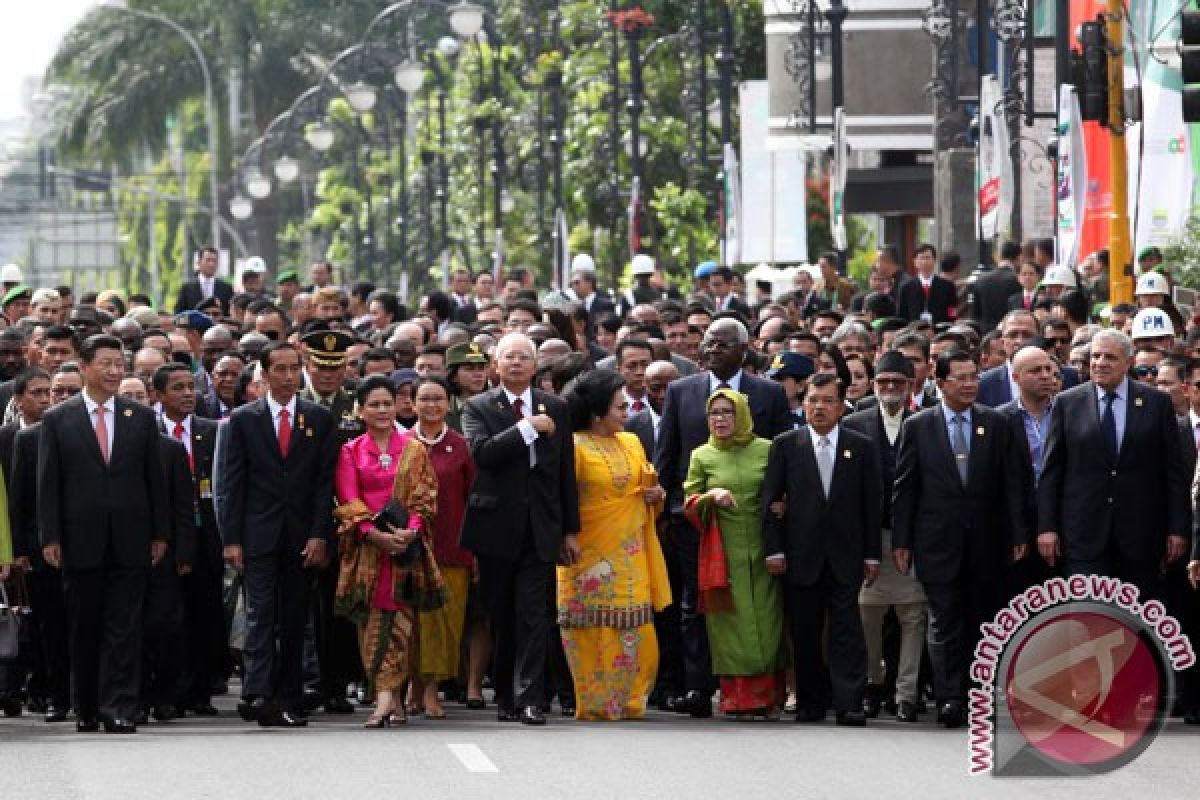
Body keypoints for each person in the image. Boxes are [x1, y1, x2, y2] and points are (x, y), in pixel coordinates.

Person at [655, 318, 790, 717]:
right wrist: (667, 514)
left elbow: (783, 458)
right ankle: (698, 687)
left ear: (744, 349)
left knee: (755, 607)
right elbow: (667, 456)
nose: (712, 349)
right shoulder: (681, 391)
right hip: (694, 521)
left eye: (722, 343)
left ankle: (760, 690)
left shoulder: (769, 393)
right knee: (695, 606)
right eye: (708, 343)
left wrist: (781, 506)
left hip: (754, 527)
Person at [38, 334, 169, 733]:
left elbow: (154, 482)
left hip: (131, 538)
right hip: (80, 540)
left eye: (119, 363)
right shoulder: (58, 419)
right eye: (106, 363)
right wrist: (50, 536)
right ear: (84, 368)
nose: (115, 371)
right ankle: (87, 705)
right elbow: (48, 484)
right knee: (84, 625)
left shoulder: (140, 418)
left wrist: (159, 533)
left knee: (124, 626)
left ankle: (120, 707)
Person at [892, 349, 1026, 729]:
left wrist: (1018, 531)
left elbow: (1012, 484)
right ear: (940, 382)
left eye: (974, 377)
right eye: (961, 378)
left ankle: (978, 696)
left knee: (982, 622)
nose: (969, 384)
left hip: (987, 542)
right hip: (937, 542)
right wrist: (902, 540)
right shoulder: (919, 426)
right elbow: (906, 488)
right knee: (944, 622)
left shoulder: (997, 424)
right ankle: (950, 698)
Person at [459, 333, 580, 726]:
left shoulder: (557, 407)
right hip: (496, 525)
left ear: (535, 366)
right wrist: (526, 429)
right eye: (508, 357)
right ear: (495, 364)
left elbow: (565, 474)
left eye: (524, 357)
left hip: (540, 525)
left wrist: (570, 531)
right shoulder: (478, 406)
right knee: (501, 613)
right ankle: (507, 696)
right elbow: (482, 454)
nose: (516, 363)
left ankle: (531, 697)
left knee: (533, 612)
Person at [216, 341, 338, 728]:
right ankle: (257, 691)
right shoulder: (243, 419)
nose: (288, 377)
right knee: (259, 614)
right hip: (258, 535)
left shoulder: (318, 418)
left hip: (302, 536)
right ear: (264, 375)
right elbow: (231, 484)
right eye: (279, 370)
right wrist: (232, 539)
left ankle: (289, 694)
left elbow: (323, 484)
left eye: (293, 369)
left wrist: (320, 535)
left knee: (294, 616)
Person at [762, 373, 881, 726]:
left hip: (846, 553)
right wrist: (775, 550)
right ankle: (810, 701)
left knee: (847, 629)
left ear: (842, 406)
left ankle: (848, 702)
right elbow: (770, 501)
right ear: (804, 403)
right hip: (801, 555)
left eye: (828, 401)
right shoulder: (786, 445)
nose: (819, 407)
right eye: (813, 400)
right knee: (805, 630)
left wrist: (872, 553)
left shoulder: (860, 447)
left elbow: (870, 505)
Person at [1038, 329, 1190, 598]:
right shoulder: (1067, 403)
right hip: (1083, 535)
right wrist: (1047, 527)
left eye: (1109, 357)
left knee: (1135, 623)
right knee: (1089, 621)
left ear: (1128, 362)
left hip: (1140, 535)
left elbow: (1173, 471)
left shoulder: (1157, 403)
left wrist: (1177, 527)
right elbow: (1052, 471)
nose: (1100, 363)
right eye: (1095, 356)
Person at [558, 370, 671, 720]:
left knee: (635, 625)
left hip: (631, 548)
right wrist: (567, 535)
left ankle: (630, 699)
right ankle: (593, 702)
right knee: (590, 627)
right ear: (596, 412)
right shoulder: (574, 447)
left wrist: (656, 495)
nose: (626, 412)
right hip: (587, 551)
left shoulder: (632, 442)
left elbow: (648, 484)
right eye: (619, 407)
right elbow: (561, 498)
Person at [332, 375, 444, 728]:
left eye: (387, 403)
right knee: (371, 625)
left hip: (406, 550)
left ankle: (385, 699)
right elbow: (348, 500)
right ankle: (389, 696)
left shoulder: (414, 450)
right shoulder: (350, 451)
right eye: (374, 405)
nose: (382, 410)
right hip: (367, 552)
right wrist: (373, 534)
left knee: (400, 623)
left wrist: (407, 533)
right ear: (360, 410)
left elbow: (425, 499)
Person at [683, 389, 786, 718]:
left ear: (741, 414)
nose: (720, 419)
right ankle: (737, 701)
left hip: (764, 550)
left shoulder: (768, 450)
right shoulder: (702, 455)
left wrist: (784, 505)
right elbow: (688, 502)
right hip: (722, 555)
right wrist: (711, 496)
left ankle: (769, 699)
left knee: (769, 623)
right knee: (730, 627)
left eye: (728, 412)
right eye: (714, 413)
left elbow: (786, 489)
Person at [842, 351, 927, 723]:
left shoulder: (924, 422)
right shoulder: (855, 423)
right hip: (869, 535)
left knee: (913, 615)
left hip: (914, 536)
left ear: (910, 386)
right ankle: (873, 684)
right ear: (874, 385)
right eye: (883, 382)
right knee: (868, 613)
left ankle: (906, 693)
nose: (890, 388)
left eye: (897, 382)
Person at [154, 363, 225, 718]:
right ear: (159, 395)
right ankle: (168, 691)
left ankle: (200, 689)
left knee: (205, 615)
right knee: (168, 619)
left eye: (190, 387)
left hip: (207, 536)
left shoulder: (212, 431)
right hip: (165, 538)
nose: (186, 394)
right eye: (177, 388)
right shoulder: (147, 433)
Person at [299, 329, 363, 715]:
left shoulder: (355, 405)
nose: (327, 374)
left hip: (349, 522)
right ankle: (308, 681)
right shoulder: (298, 403)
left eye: (335, 367)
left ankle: (337, 683)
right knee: (305, 609)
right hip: (306, 518)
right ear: (309, 365)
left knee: (340, 609)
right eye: (321, 367)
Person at [407, 375, 476, 719]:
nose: (431, 405)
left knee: (444, 622)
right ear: (413, 404)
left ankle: (433, 689)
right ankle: (412, 686)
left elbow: (472, 497)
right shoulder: (401, 443)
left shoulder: (461, 445)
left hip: (452, 546)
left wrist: (474, 550)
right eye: (425, 399)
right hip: (408, 548)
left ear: (448, 404)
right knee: (411, 621)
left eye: (438, 399)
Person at [175, 246, 233, 314]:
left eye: (214, 261)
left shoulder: (226, 288)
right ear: (199, 262)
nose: (211, 264)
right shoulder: (187, 288)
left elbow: (229, 314)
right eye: (208, 260)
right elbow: (179, 314)